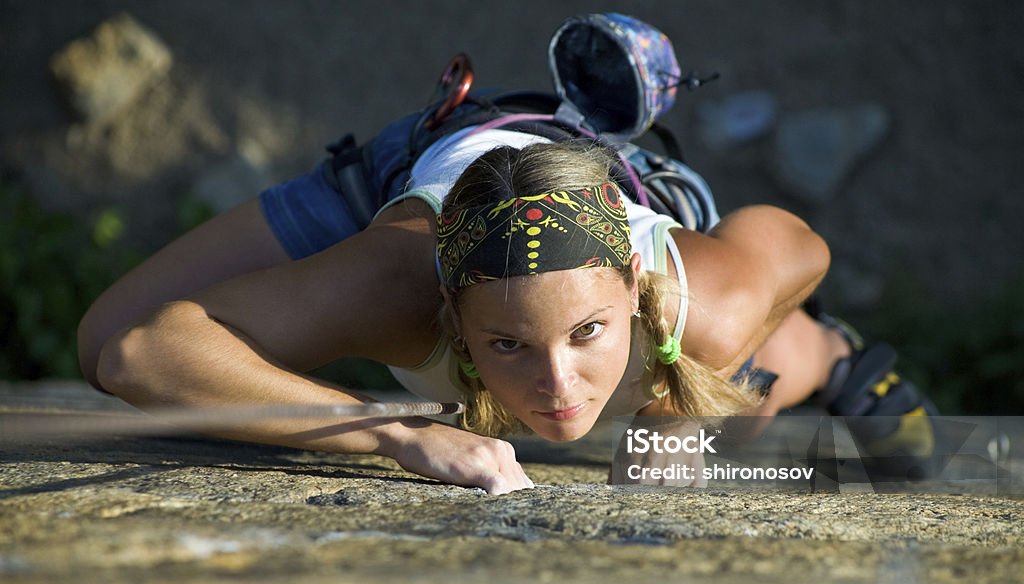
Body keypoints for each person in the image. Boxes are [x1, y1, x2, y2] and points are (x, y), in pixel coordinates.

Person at [77, 13, 939, 494]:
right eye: (507, 345)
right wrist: (390, 433)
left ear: (635, 290)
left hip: (636, 209)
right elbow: (137, 350)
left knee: (725, 393)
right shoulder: (395, 286)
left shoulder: (695, 298)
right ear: (450, 317)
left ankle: (834, 355)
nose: (557, 389)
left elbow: (800, 248)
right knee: (98, 336)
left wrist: (677, 427)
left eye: (586, 334)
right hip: (413, 170)